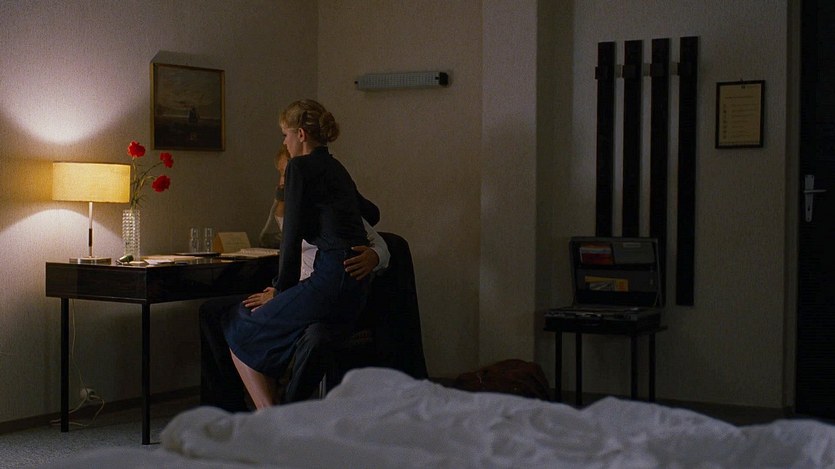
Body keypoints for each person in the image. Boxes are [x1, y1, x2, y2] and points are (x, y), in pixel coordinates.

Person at [224, 99, 374, 409]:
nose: (285, 143)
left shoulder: (298, 167)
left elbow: (290, 240)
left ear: (301, 134)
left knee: (239, 330)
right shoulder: (336, 167)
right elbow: (373, 213)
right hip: (355, 287)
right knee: (267, 330)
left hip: (328, 281)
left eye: (285, 135)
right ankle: (282, 414)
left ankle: (273, 417)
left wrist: (280, 290)